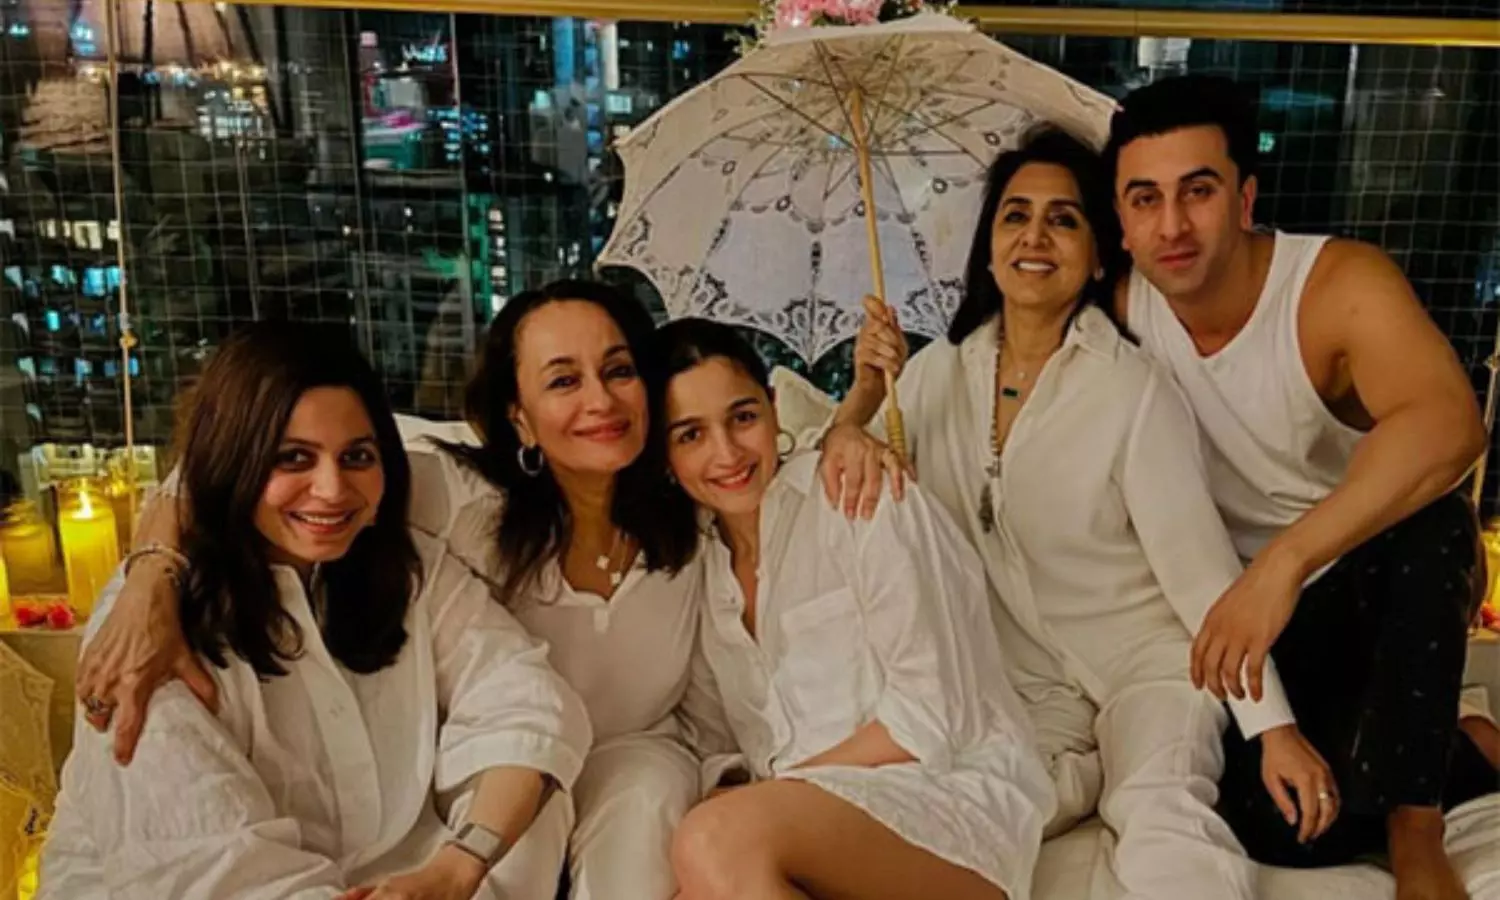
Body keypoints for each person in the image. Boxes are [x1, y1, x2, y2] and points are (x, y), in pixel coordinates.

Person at [69, 281, 712, 900]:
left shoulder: (404, 564)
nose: (332, 489)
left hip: (435, 860)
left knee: (566, 795)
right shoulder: (458, 500)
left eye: (619, 371)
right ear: (519, 416)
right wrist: (150, 573)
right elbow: (206, 870)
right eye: (293, 458)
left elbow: (531, 702)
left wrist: (460, 865)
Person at [818, 127, 1312, 900]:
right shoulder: (934, 378)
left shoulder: (1131, 390)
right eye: (1015, 216)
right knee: (957, 817)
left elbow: (1203, 578)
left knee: (1158, 817)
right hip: (1024, 689)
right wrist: (862, 401)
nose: (1035, 237)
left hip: (1150, 668)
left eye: (1064, 219)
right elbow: (844, 490)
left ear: (1099, 254)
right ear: (988, 249)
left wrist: (1272, 728)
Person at [1105, 75, 1498, 898]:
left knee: (1435, 523)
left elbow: (1450, 424)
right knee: (1285, 827)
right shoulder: (1122, 311)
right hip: (1247, 615)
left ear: (1245, 198)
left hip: (1361, 578)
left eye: (1198, 191)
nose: (1172, 225)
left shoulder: (1333, 288)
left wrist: (1284, 564)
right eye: (1146, 199)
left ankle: (1417, 824)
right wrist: (861, 412)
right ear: (1122, 218)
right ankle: (1465, 747)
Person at [651, 318, 1054, 900]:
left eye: (743, 417)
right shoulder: (700, 569)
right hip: (809, 825)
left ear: (773, 410)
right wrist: (747, 790)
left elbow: (930, 717)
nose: (727, 452)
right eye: (691, 435)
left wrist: (773, 792)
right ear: (665, 457)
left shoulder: (859, 495)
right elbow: (719, 738)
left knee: (711, 840)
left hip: (945, 801)